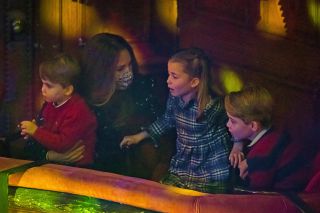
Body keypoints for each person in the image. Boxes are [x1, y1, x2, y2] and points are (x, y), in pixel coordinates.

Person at [120, 47, 233, 193]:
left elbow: (233, 126)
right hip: (183, 164)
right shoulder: (174, 97)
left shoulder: (212, 106)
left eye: (174, 76)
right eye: (168, 75)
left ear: (194, 82)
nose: (168, 81)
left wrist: (237, 145)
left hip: (209, 169)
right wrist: (139, 137)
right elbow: (167, 120)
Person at [77, 33, 174, 179]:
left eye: (129, 65)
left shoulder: (143, 87)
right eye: (120, 69)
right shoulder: (80, 99)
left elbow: (165, 130)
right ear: (100, 72)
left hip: (140, 177)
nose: (128, 73)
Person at [224, 85, 309, 191]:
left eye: (233, 121)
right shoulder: (273, 132)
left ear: (253, 126)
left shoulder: (260, 156)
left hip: (285, 200)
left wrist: (245, 173)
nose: (228, 124)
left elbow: (256, 195)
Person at [20, 53, 97, 167]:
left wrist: (36, 131)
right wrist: (34, 131)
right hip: (57, 162)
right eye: (42, 83)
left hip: (79, 167)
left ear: (67, 90)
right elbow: (48, 128)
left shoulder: (78, 110)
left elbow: (62, 144)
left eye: (48, 86)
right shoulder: (51, 103)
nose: (43, 89)